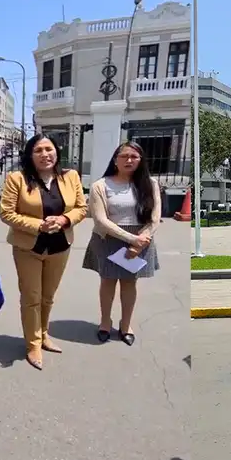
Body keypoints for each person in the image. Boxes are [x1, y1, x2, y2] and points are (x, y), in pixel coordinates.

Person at [0, 134, 87, 370]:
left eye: (49, 149)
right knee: (31, 298)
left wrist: (64, 219)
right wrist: (39, 225)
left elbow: (81, 207)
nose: (45, 154)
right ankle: (33, 344)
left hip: (60, 246)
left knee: (48, 296)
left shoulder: (70, 177)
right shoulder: (16, 179)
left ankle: (44, 334)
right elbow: (7, 213)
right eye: (38, 150)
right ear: (30, 154)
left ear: (56, 152)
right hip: (29, 247)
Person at [83, 141, 161, 346]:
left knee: (129, 283)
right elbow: (100, 220)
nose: (129, 160)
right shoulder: (100, 186)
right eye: (124, 156)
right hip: (108, 239)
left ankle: (126, 324)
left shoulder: (150, 184)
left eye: (134, 157)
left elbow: (155, 217)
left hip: (142, 239)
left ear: (141, 160)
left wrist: (140, 242)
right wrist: (131, 240)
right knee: (107, 281)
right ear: (115, 160)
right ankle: (105, 322)